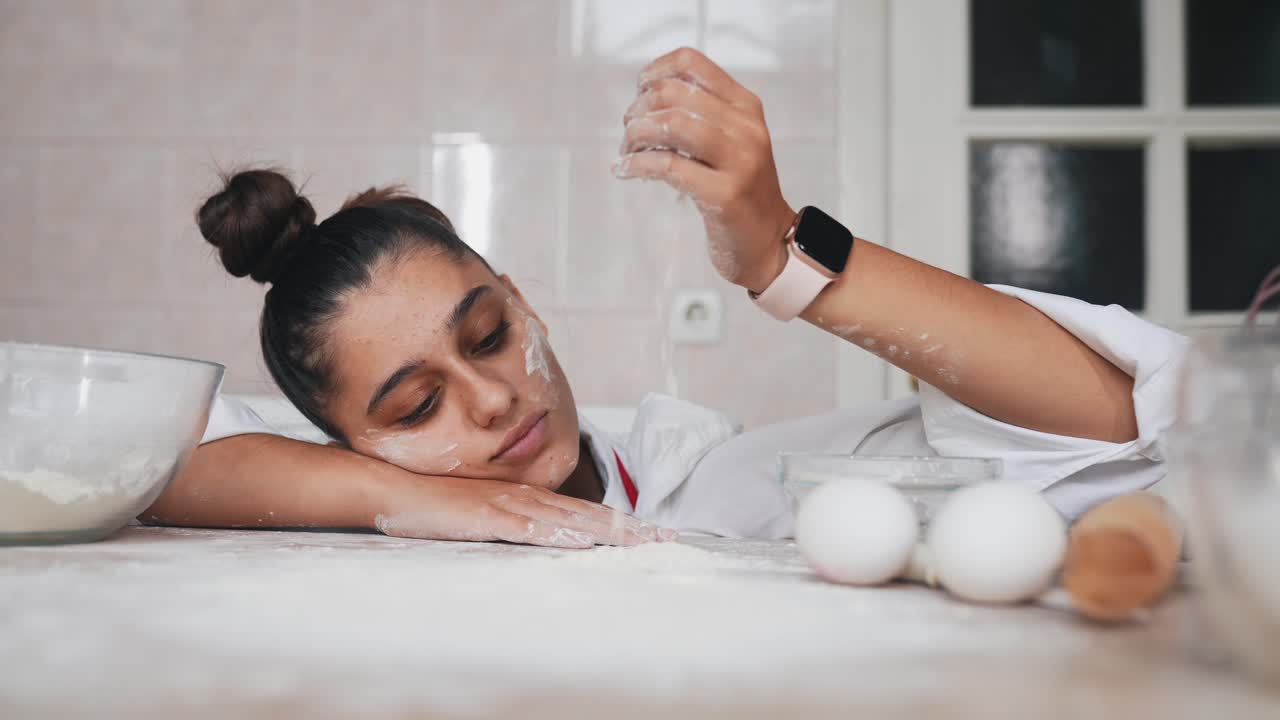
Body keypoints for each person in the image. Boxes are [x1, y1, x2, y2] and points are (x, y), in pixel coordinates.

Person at [143, 49, 1188, 547]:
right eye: (415, 409)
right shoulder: (321, 510)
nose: (495, 400)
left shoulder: (712, 481)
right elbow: (143, 466)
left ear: (524, 303)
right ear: (338, 447)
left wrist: (781, 256)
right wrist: (405, 498)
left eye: (491, 335)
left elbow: (1105, 423)